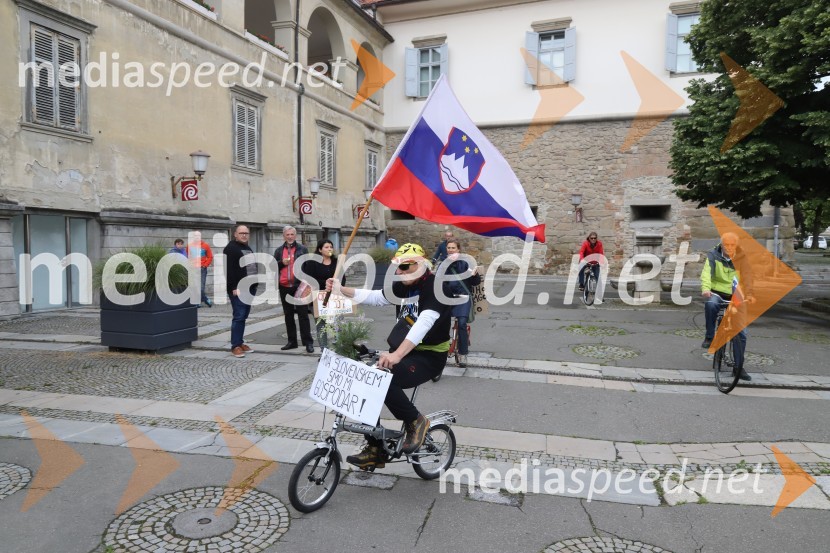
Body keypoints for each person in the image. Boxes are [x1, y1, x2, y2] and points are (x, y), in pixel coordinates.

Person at [325, 243, 451, 470]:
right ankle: (375, 448)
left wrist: (397, 354)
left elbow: (424, 322)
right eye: (397, 267)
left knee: (384, 378)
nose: (400, 272)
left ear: (421, 264)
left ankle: (416, 421)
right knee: (366, 379)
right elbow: (376, 297)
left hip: (429, 356)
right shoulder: (406, 284)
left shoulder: (436, 287)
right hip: (405, 351)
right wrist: (341, 289)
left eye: (405, 266)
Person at [700, 232, 753, 381]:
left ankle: (738, 367)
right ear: (721, 245)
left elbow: (748, 277)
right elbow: (706, 273)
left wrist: (749, 294)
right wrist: (706, 289)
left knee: (741, 333)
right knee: (711, 304)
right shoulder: (713, 255)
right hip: (716, 292)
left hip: (736, 294)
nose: (729, 248)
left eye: (732, 245)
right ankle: (710, 336)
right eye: (726, 245)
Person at [441, 238, 481, 368]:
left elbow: (475, 282)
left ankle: (463, 353)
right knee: (440, 322)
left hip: (463, 297)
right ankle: (440, 348)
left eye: (453, 248)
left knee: (462, 323)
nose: (450, 250)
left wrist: (475, 275)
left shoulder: (465, 263)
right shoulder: (443, 264)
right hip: (448, 297)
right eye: (449, 248)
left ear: (458, 249)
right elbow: (439, 282)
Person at [275, 225, 314, 353]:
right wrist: (282, 263)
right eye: (288, 234)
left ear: (295, 235)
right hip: (284, 286)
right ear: (284, 236)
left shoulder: (302, 249)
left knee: (303, 315)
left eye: (292, 234)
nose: (290, 237)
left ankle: (308, 342)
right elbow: (273, 266)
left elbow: (308, 266)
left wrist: (307, 284)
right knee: (288, 315)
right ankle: (292, 341)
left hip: (299, 286)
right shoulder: (279, 250)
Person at [300, 239, 346, 349]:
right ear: (320, 250)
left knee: (338, 323)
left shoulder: (336, 262)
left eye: (331, 247)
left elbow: (343, 278)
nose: (329, 249)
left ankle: (339, 348)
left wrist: (337, 286)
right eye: (326, 247)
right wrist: (326, 283)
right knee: (321, 325)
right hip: (318, 297)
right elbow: (310, 280)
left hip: (334, 297)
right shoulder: (312, 263)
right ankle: (324, 350)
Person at [224, 225, 257, 358]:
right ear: (235, 234)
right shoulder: (231, 248)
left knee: (243, 316)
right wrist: (233, 287)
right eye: (241, 233)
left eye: (246, 233)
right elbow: (228, 270)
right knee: (239, 316)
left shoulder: (246, 247)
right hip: (239, 289)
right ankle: (235, 346)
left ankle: (240, 342)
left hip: (250, 287)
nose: (244, 235)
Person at [187, 231, 214, 307]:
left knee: (201, 287)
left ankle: (204, 299)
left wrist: (205, 265)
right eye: (195, 236)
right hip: (193, 269)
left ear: (200, 237)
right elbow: (188, 256)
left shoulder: (205, 245)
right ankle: (201, 300)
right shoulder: (189, 245)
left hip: (202, 269)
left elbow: (210, 257)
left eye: (198, 235)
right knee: (195, 286)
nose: (197, 237)